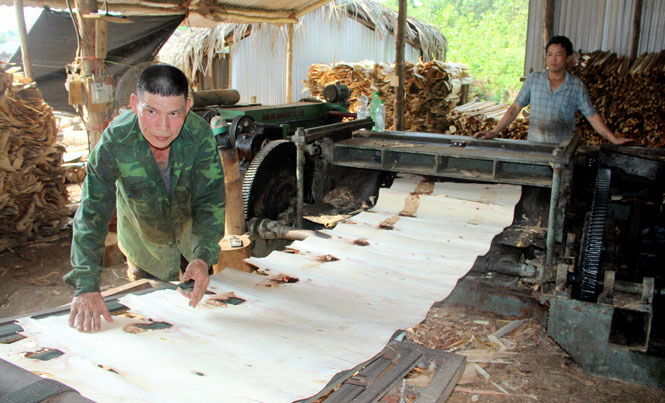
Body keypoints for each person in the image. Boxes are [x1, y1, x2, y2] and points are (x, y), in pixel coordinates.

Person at [64, 64, 226, 333]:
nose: (163, 127)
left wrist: (203, 257)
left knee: (201, 329)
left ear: (187, 106)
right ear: (134, 104)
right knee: (150, 330)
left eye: (174, 114)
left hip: (191, 246)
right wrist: (87, 285)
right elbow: (92, 214)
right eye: (151, 112)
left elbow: (210, 201)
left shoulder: (199, 137)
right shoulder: (115, 142)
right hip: (145, 249)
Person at [475, 35, 633, 145]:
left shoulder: (576, 86)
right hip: (534, 147)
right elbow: (515, 108)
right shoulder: (534, 80)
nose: (553, 59)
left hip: (562, 151)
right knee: (533, 192)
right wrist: (494, 132)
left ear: (568, 58)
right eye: (549, 54)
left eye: (558, 55)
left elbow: (592, 116)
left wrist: (613, 139)